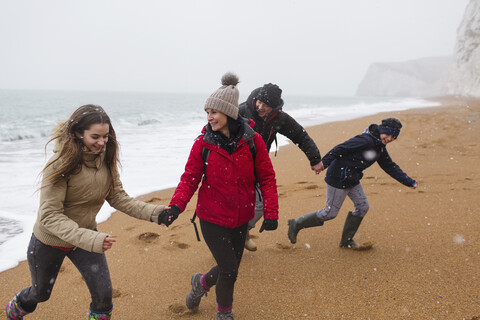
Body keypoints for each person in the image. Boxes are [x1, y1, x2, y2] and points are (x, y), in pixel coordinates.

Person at [5, 105, 169, 320]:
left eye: (106, 136)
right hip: (49, 241)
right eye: (95, 137)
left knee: (104, 295)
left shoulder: (105, 160)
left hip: (85, 238)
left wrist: (156, 213)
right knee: (40, 293)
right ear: (77, 133)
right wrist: (91, 238)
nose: (102, 143)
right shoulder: (59, 165)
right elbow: (49, 216)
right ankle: (16, 308)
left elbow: (118, 197)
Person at [160, 73, 278, 320]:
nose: (209, 117)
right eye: (207, 112)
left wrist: (271, 212)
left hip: (241, 216)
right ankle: (224, 313)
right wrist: (175, 206)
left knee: (230, 269)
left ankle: (201, 283)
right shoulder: (203, 144)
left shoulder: (253, 141)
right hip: (212, 218)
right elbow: (190, 178)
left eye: (214, 112)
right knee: (229, 269)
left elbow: (267, 178)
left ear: (229, 113)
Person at [288, 118, 418, 249]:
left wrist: (409, 182)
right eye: (388, 134)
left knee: (362, 207)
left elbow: (390, 167)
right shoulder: (365, 140)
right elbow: (340, 148)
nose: (389, 138)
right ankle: (297, 223)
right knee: (330, 213)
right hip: (338, 177)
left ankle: (347, 241)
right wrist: (323, 163)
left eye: (393, 137)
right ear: (382, 130)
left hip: (352, 178)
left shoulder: (380, 147)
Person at [238, 83, 322, 251]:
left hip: (257, 169)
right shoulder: (241, 112)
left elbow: (300, 135)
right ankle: (226, 237)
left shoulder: (279, 118)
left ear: (274, 107)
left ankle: (242, 232)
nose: (260, 107)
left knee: (260, 206)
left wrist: (315, 159)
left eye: (265, 105)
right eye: (259, 102)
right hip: (234, 168)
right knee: (233, 204)